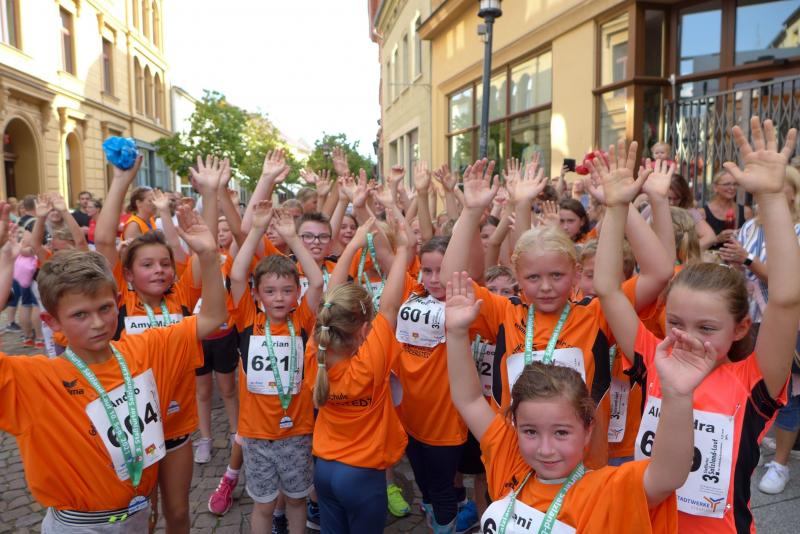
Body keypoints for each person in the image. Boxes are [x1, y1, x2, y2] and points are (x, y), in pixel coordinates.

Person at [593, 118, 799, 532]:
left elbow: (786, 298)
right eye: (675, 322)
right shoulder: (654, 358)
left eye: (706, 328)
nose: (687, 337)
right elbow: (608, 291)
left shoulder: (753, 380)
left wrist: (772, 198)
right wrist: (616, 208)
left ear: (740, 328)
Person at [0, 160, 227, 533]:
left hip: (136, 512)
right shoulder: (37, 378)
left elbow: (213, 317)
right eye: (80, 315)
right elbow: (104, 241)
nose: (98, 323)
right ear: (52, 323)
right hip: (80, 525)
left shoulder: (144, 348)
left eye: (105, 309)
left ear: (117, 302)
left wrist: (208, 255)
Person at [444, 270, 716, 532]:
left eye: (561, 432)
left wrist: (678, 395)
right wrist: (456, 333)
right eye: (530, 431)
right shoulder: (508, 460)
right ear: (514, 424)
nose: (545, 449)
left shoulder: (604, 490)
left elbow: (668, 475)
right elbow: (469, 399)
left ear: (587, 429)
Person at [95, 155, 225, 533]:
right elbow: (103, 240)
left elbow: (205, 249)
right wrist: (121, 181)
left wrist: (211, 194)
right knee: (143, 517)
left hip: (177, 425)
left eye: (165, 264)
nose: (158, 271)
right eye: (147, 265)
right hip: (131, 428)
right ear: (127, 274)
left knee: (179, 514)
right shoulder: (119, 301)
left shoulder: (181, 296)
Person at [308, 213, 409, 534]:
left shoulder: (316, 352)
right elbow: (390, 306)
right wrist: (404, 250)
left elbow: (329, 300)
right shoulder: (368, 363)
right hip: (362, 474)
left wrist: (352, 246)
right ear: (364, 329)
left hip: (324, 470)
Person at [227, 201, 324, 534]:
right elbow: (237, 275)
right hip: (256, 434)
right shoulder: (247, 319)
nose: (279, 298)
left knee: (296, 500)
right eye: (270, 291)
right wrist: (257, 229)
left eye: (287, 291)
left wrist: (292, 238)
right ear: (256, 295)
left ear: (298, 294)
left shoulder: (302, 319)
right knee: (264, 505)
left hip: (296, 431)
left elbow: (316, 280)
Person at [720, 165, 800, 494]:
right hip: (748, 320)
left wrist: (747, 259)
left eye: (778, 187)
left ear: (793, 194)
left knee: (788, 391)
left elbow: (789, 283)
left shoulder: (797, 230)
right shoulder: (751, 226)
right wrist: (732, 262)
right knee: (749, 384)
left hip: (784, 325)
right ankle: (750, 443)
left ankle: (780, 464)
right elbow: (742, 272)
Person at [703, 170, 753, 249]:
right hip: (711, 256)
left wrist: (742, 234)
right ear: (715, 187)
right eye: (727, 184)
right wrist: (717, 239)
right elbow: (694, 245)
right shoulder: (703, 213)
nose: (732, 188)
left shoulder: (746, 212)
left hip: (737, 256)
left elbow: (752, 241)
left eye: (735, 184)